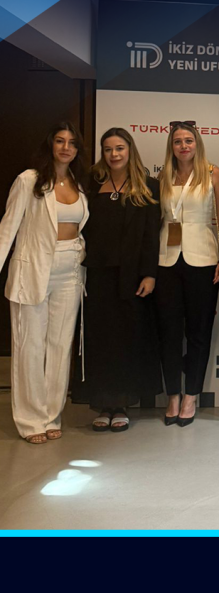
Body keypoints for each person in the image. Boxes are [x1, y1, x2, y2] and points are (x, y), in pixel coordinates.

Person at [0, 122, 89, 443]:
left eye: (72, 143)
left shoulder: (78, 183)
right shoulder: (29, 180)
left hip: (70, 270)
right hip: (33, 270)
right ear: (50, 144)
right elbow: (7, 228)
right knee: (30, 346)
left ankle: (51, 415)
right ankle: (30, 420)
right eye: (60, 141)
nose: (66, 148)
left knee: (60, 347)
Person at [73, 127, 162, 432]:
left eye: (119, 148)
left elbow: (152, 235)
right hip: (96, 275)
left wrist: (150, 273)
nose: (114, 154)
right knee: (100, 339)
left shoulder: (148, 186)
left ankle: (121, 404)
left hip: (132, 277)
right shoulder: (91, 182)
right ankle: (103, 403)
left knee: (127, 339)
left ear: (130, 150)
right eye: (108, 149)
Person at [156, 121, 219, 427]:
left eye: (188, 140)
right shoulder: (163, 176)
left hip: (204, 259)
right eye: (177, 142)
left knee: (198, 332)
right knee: (169, 332)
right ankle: (173, 394)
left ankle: (191, 396)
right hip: (166, 261)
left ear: (197, 143)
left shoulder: (213, 174)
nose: (183, 146)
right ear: (171, 147)